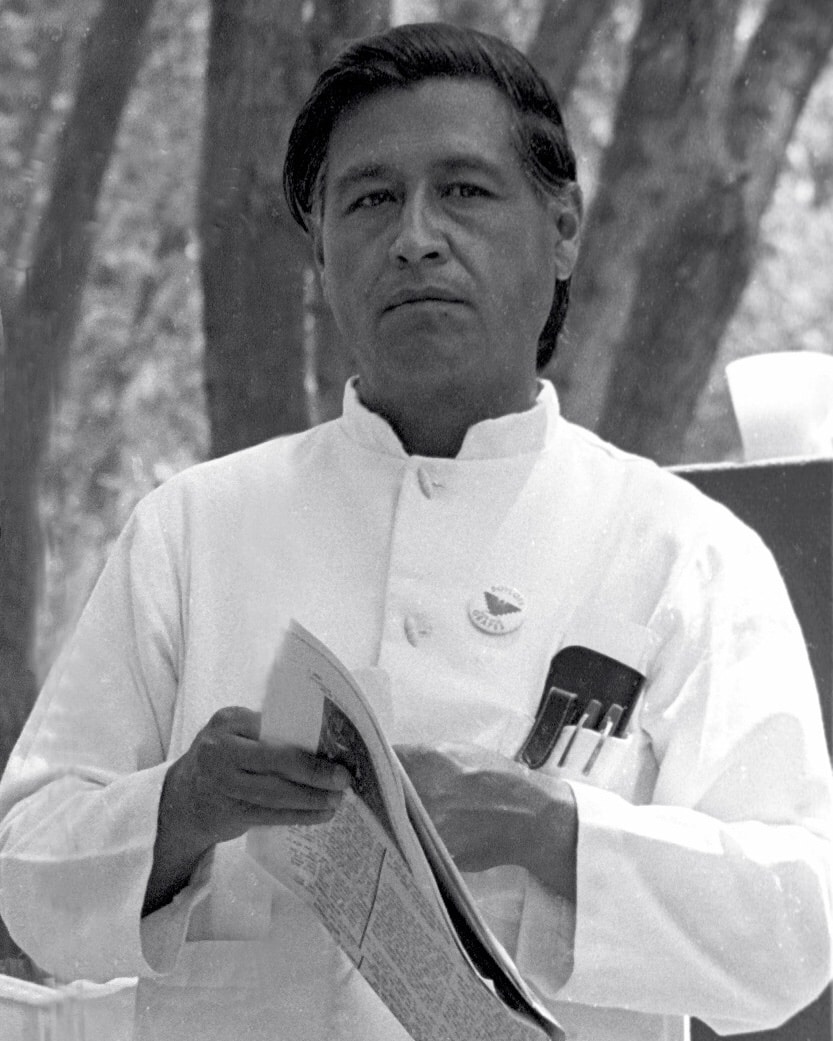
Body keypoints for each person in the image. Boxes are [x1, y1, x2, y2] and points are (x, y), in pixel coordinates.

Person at [1, 21, 831, 1041]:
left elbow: (797, 933)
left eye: (465, 191)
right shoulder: (194, 530)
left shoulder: (682, 555)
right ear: (319, 249)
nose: (415, 236)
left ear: (561, 225)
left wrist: (550, 832)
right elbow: (25, 871)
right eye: (369, 199)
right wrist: (184, 808)